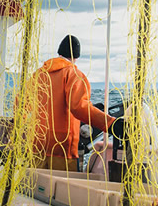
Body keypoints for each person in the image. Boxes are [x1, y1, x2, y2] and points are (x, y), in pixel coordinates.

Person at [29, 35, 123, 172]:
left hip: (37, 145)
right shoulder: (73, 75)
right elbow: (79, 107)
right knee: (61, 190)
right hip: (62, 148)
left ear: (59, 53)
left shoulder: (38, 75)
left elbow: (21, 104)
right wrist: (110, 124)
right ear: (76, 57)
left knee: (36, 187)